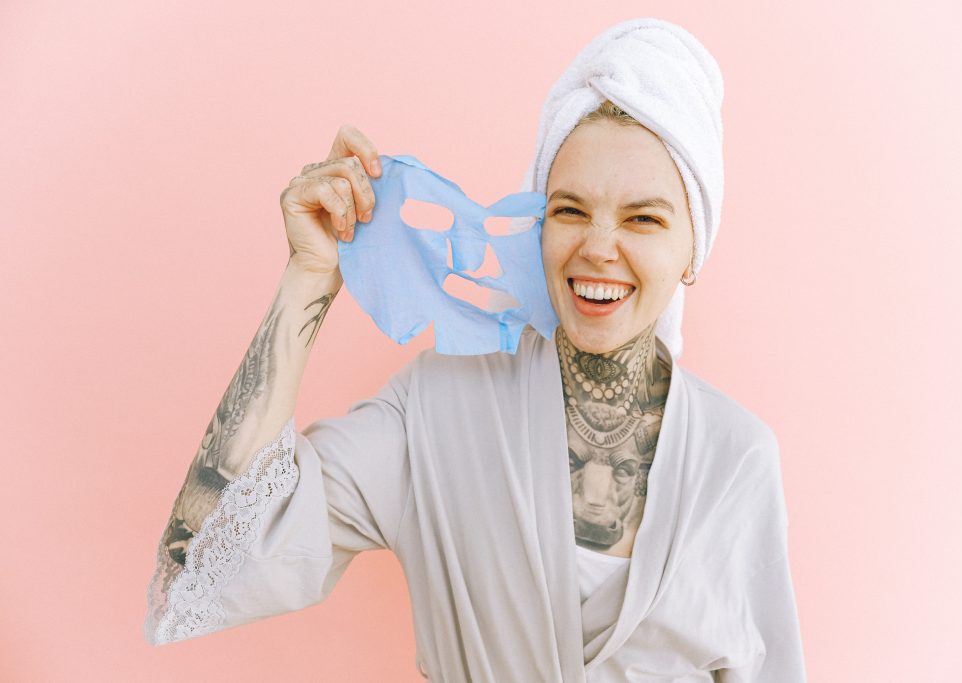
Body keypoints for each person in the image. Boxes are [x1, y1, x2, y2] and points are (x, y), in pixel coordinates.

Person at [144, 18, 806, 682]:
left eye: (644, 218)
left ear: (693, 248)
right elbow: (209, 560)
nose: (599, 247)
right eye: (570, 210)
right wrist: (309, 275)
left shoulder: (738, 459)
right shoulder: (435, 407)